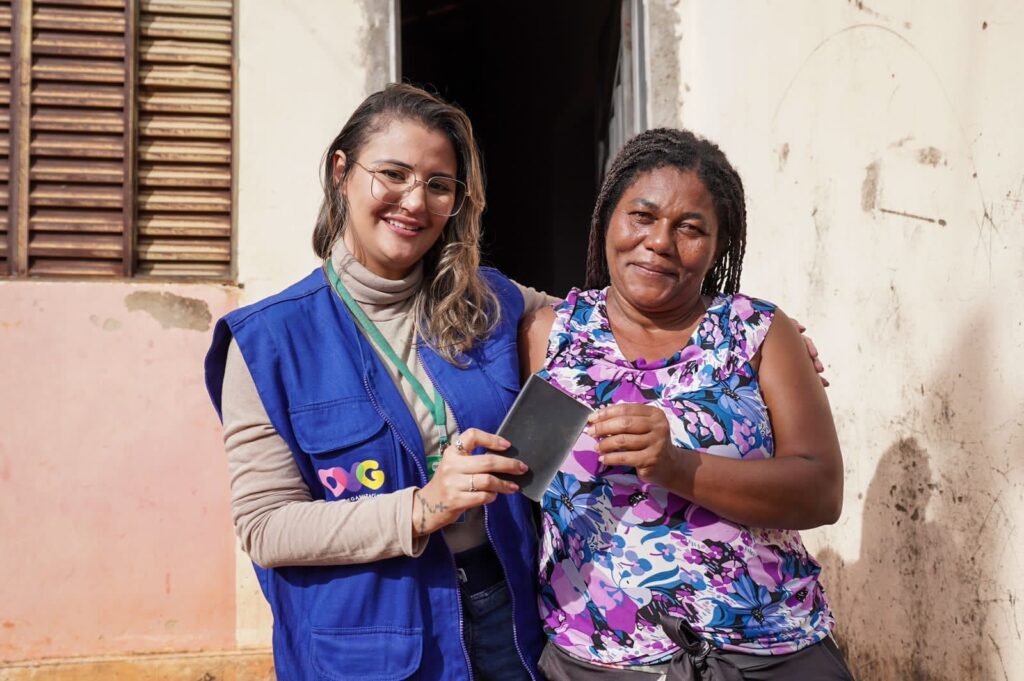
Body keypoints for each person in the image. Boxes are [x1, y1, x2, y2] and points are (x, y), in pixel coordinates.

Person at [204, 84, 550, 680]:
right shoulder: (269, 342)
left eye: (439, 185)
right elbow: (266, 527)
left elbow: (596, 333)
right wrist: (421, 508)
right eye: (393, 173)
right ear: (342, 172)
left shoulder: (492, 302)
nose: (414, 202)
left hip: (505, 614)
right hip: (367, 646)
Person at [518, 128, 854, 680]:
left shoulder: (758, 333)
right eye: (642, 217)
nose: (659, 242)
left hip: (771, 651)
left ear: (719, 244)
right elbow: (521, 480)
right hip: (602, 661)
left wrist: (677, 465)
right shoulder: (551, 338)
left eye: (690, 228)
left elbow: (821, 491)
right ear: (607, 218)